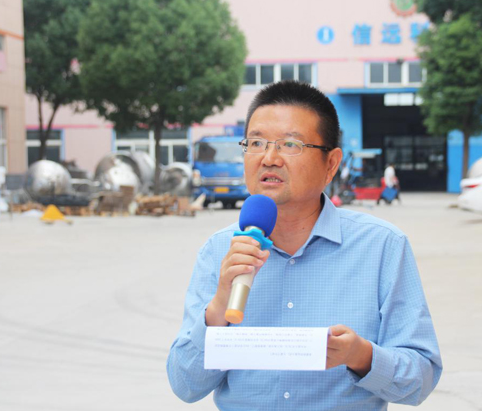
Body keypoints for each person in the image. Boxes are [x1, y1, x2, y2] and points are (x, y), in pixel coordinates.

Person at [167, 81, 442, 410]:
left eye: (290, 144)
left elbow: (419, 381)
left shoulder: (382, 247)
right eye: (256, 143)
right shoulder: (219, 250)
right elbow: (185, 385)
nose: (269, 158)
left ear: (331, 164)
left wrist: (361, 356)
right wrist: (218, 308)